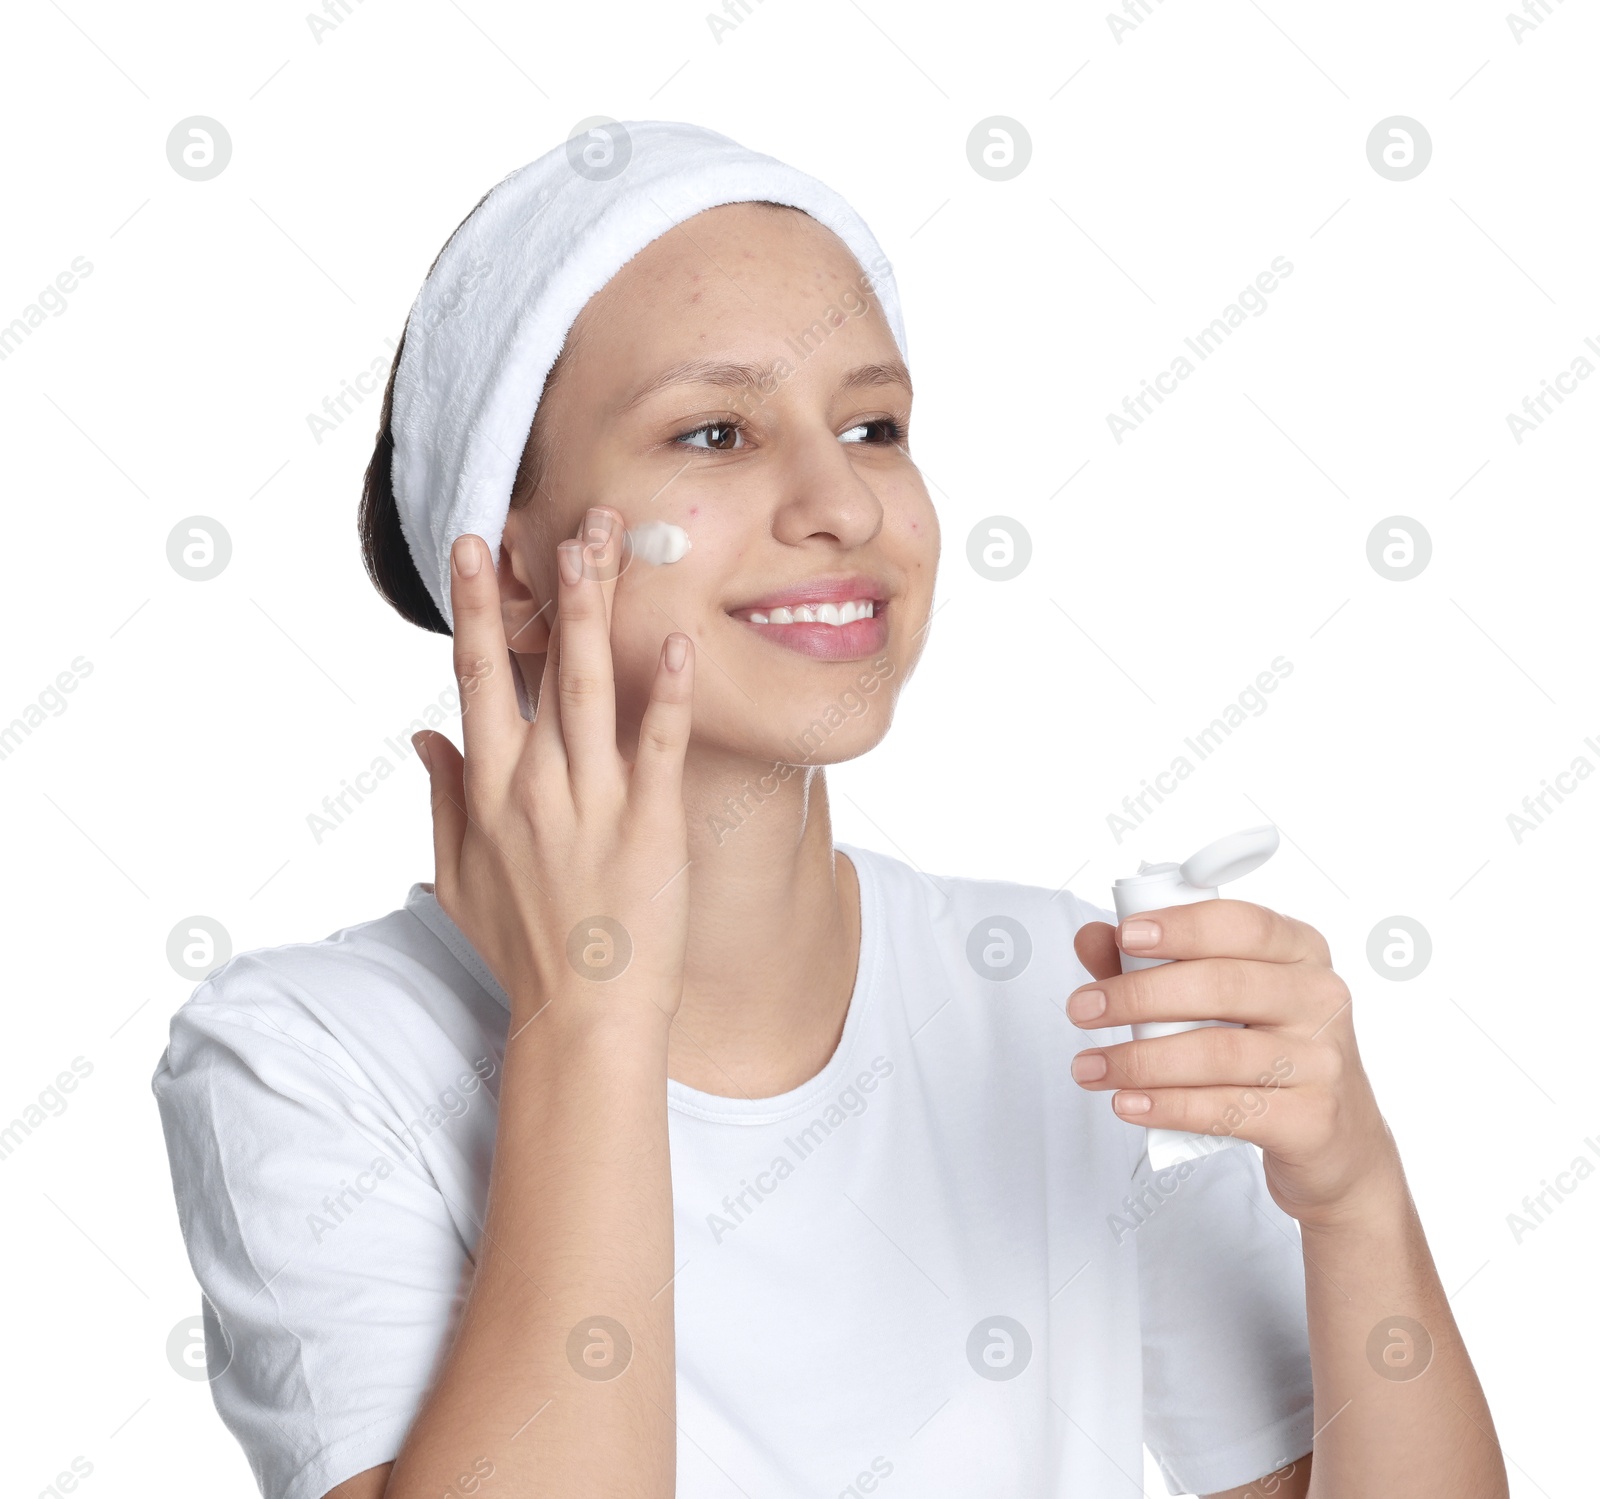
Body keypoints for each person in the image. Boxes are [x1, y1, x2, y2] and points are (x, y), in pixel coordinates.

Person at [153, 121, 1507, 1499]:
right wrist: (593, 1017)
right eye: (717, 432)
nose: (844, 502)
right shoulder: (307, 1059)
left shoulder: (1052, 1002)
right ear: (505, 569)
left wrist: (1354, 1196)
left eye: (873, 426)